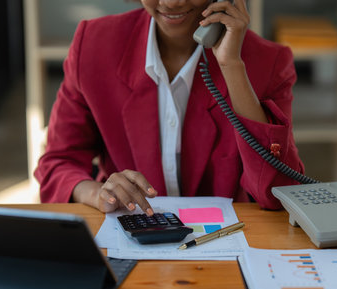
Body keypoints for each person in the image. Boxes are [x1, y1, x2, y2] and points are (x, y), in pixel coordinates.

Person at [34, 0, 305, 215]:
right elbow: (57, 164)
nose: (171, 2)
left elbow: (278, 193)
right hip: (131, 235)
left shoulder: (269, 63)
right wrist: (98, 193)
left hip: (226, 246)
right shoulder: (93, 44)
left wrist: (231, 67)